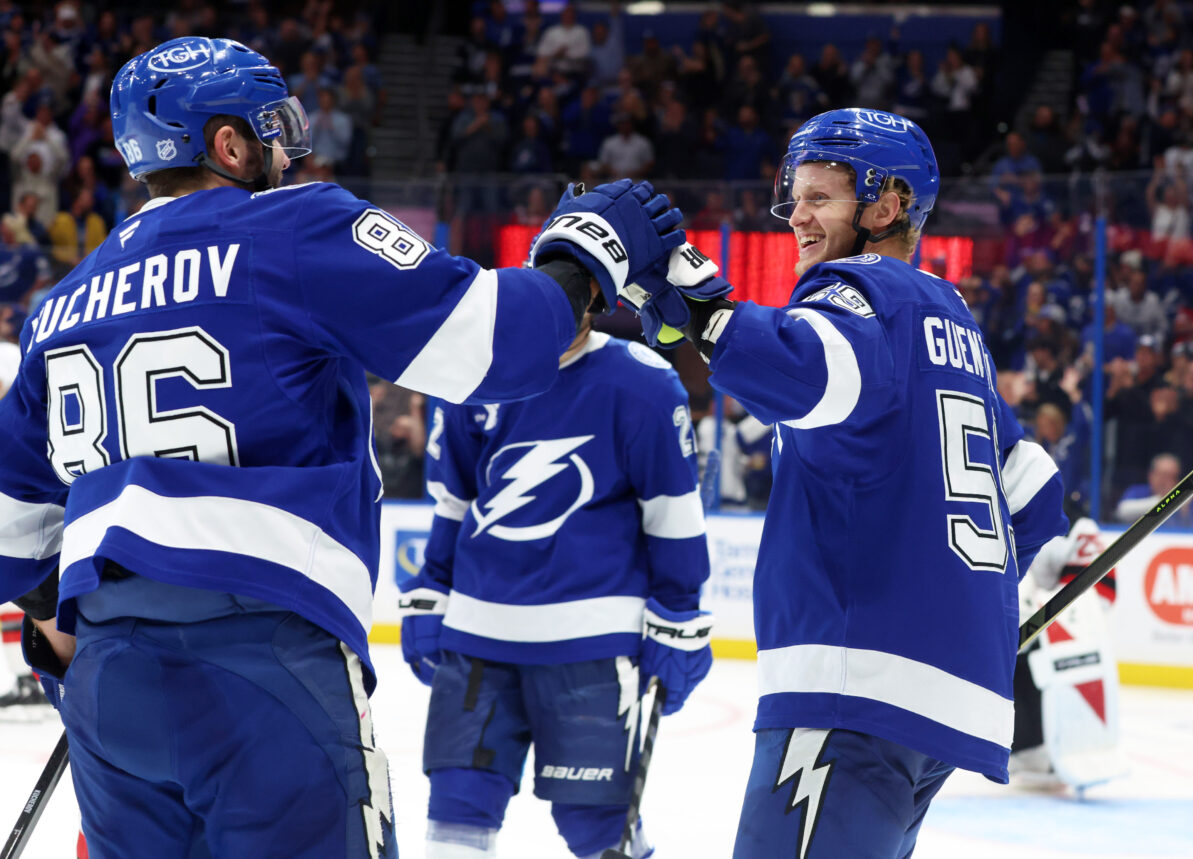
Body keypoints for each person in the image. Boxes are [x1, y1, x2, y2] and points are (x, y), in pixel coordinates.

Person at [0, 36, 683, 859]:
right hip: (264, 661)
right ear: (229, 143)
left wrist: (85, 649)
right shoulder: (294, 225)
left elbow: (12, 529)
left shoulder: (61, 304)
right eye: (274, 129)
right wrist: (584, 260)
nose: (287, 151)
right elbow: (486, 346)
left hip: (111, 680)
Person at [622, 108, 1068, 857]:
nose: (795, 215)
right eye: (794, 196)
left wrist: (701, 304)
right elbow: (1033, 490)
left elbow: (804, 367)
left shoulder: (857, 292)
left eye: (820, 197)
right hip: (932, 706)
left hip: (854, 689)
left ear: (886, 205)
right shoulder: (949, 315)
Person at [399, 310, 712, 859]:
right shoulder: (476, 369)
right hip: (476, 635)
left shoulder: (641, 381)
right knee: (456, 809)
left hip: (591, 645)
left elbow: (672, 512)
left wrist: (679, 613)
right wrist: (432, 588)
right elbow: (454, 499)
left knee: (595, 823)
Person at [1011, 517, 1125, 791]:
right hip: (1087, 622)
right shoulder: (1085, 537)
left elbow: (1033, 581)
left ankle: (1029, 748)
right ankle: (1045, 745)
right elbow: (1106, 596)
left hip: (1063, 617)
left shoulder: (1046, 537)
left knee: (1021, 663)